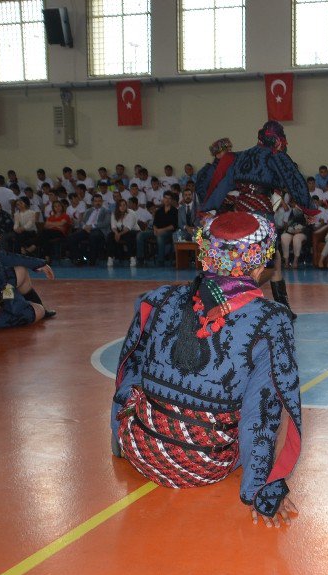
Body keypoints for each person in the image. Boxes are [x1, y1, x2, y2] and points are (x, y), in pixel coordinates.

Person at [111, 211, 301, 527]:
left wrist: (119, 438)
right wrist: (261, 491)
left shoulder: (159, 297)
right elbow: (261, 413)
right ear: (260, 261)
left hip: (140, 447)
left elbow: (129, 368)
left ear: (206, 254)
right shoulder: (271, 320)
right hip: (200, 464)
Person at [198, 122, 316, 319]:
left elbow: (225, 183)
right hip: (260, 213)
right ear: (277, 139)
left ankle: (282, 306)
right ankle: (235, 294)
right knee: (268, 262)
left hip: (240, 210)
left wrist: (210, 208)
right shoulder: (275, 156)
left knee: (266, 258)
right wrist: (308, 209)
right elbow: (294, 180)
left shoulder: (242, 155)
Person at [107, 198, 139, 267]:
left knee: (128, 236)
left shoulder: (131, 213)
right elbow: (113, 227)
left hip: (133, 231)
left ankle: (132, 257)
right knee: (110, 235)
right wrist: (116, 233)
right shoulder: (114, 214)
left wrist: (119, 234)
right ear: (117, 207)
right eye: (120, 205)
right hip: (120, 231)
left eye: (124, 205)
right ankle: (110, 257)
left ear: (126, 206)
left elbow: (128, 228)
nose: (122, 207)